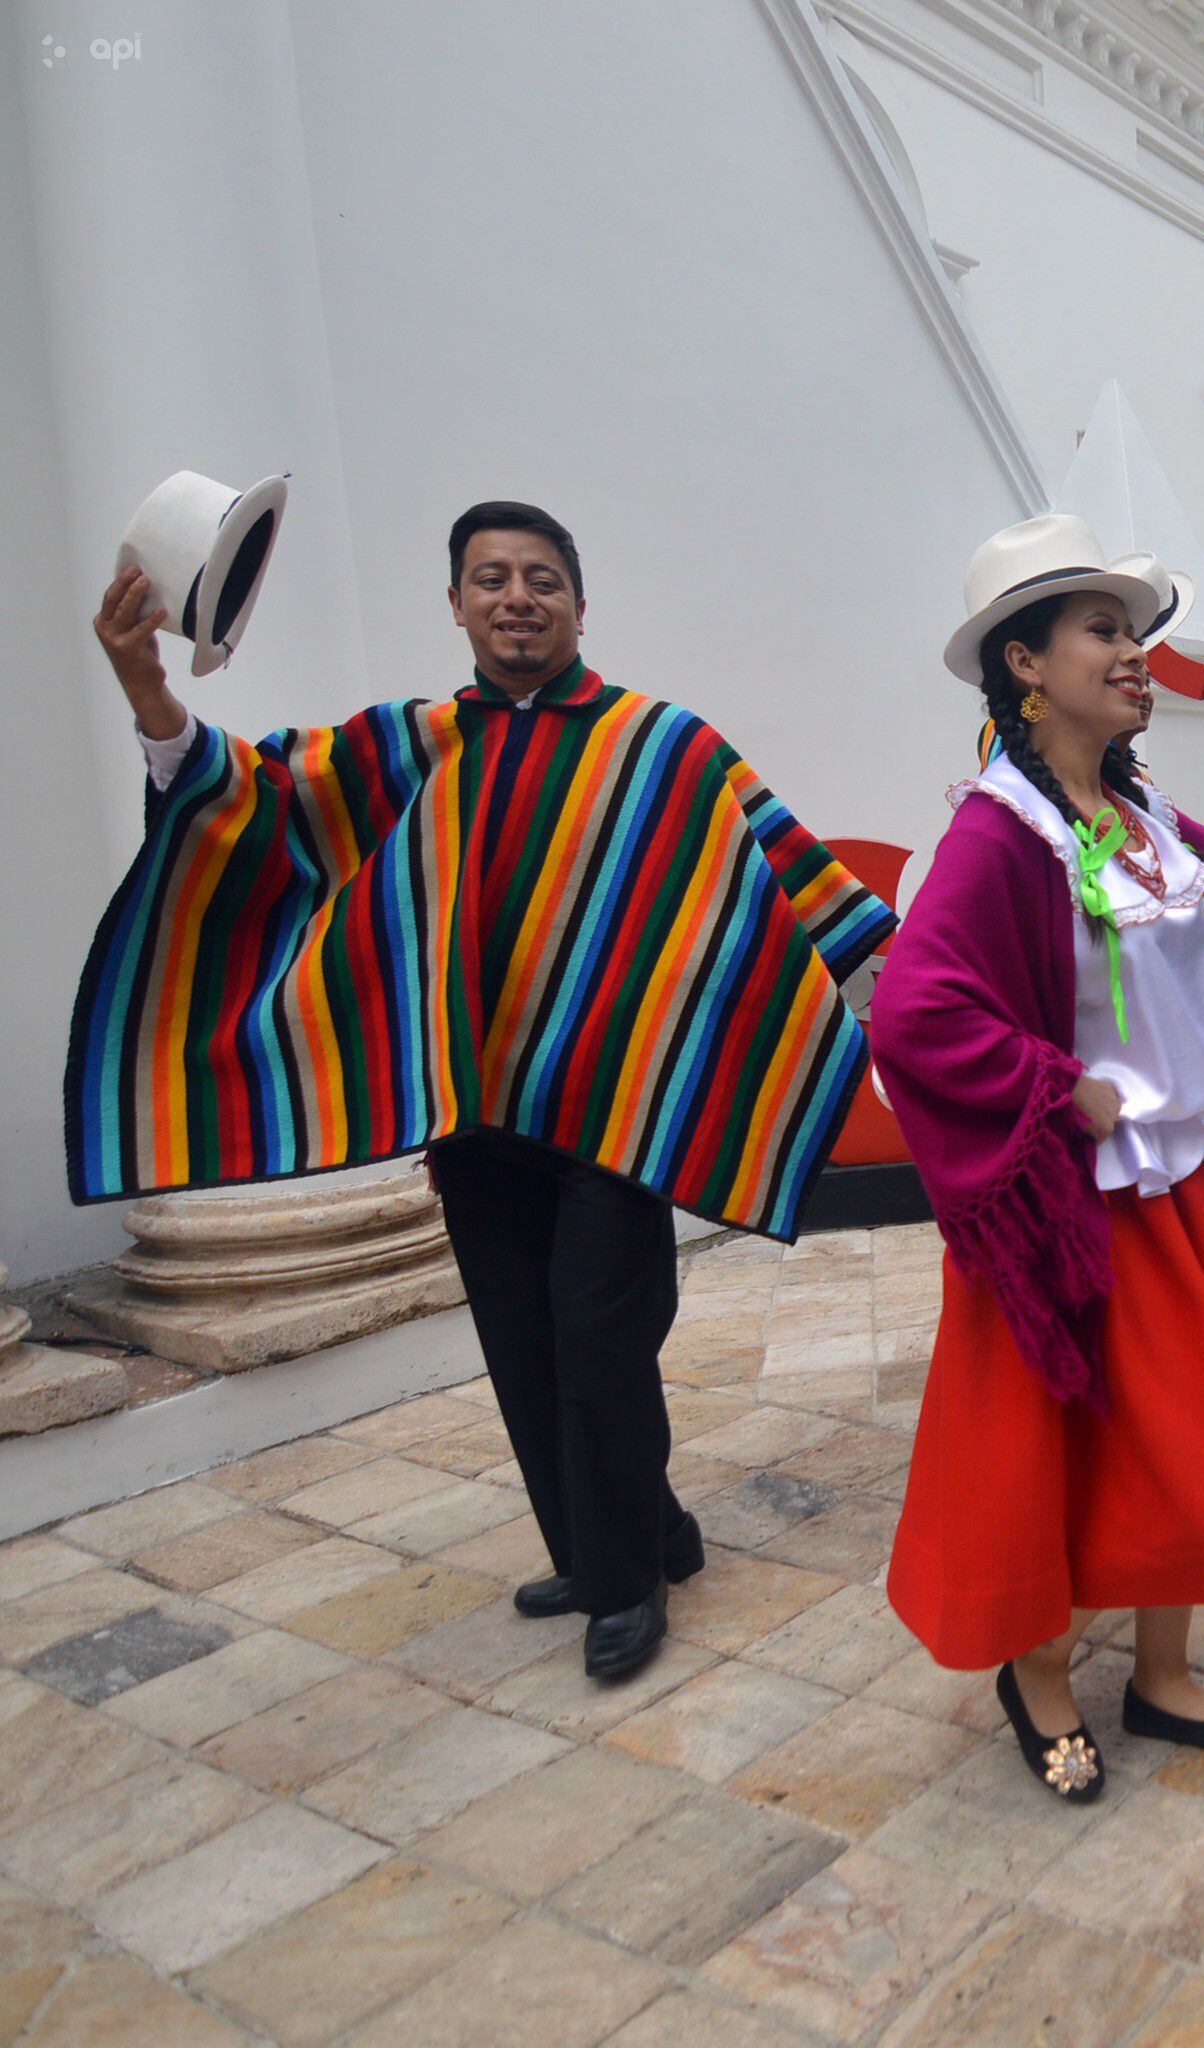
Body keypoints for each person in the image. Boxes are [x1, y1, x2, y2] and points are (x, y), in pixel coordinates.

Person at [72, 502, 893, 1682]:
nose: (518, 596)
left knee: (602, 1341)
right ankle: (631, 1531)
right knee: (521, 1340)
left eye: (543, 578)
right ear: (454, 603)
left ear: (577, 603)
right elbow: (251, 801)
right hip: (476, 1114)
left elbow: (798, 879)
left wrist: (925, 991)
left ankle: (625, 1585)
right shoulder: (410, 746)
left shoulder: (659, 743)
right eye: (492, 577)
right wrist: (146, 686)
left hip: (615, 1112)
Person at [869, 513, 1204, 1802]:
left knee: (1203, 1426)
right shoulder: (1001, 834)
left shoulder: (1141, 809)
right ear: (1025, 663)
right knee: (1058, 1444)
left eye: (1133, 629)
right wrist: (1062, 1090)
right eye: (1105, 631)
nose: (1134, 655)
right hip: (1096, 1203)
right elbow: (917, 1010)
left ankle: (1163, 1675)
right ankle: (1041, 1675)